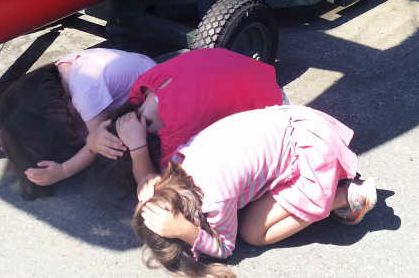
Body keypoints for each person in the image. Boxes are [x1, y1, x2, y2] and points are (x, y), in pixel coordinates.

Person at [129, 106, 376, 277]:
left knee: (252, 233)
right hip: (296, 125)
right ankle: (330, 186)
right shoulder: (176, 167)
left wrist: (188, 232)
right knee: (246, 208)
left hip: (311, 153)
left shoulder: (213, 199)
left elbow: (224, 247)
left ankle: (346, 196)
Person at [0, 47, 155, 199]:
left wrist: (63, 170)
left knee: (108, 150)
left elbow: (99, 142)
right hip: (145, 75)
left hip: (156, 94)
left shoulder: (85, 94)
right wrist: (15, 133)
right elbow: (22, 106)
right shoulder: (60, 73)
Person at [115, 48, 286, 187]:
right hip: (259, 75)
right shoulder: (145, 83)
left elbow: (158, 190)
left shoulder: (177, 129)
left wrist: (138, 149)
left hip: (276, 110)